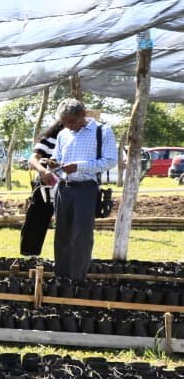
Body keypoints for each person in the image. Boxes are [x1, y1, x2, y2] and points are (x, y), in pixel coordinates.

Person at [48, 99, 117, 280]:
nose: (69, 126)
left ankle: (78, 277)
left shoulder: (102, 131)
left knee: (82, 234)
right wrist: (52, 164)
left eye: (72, 121)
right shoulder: (63, 134)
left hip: (86, 189)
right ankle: (61, 275)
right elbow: (57, 159)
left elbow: (110, 161)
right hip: (64, 188)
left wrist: (78, 166)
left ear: (83, 114)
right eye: (65, 122)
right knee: (61, 232)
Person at [20, 120, 64, 256]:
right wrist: (42, 170)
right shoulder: (48, 140)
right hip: (46, 185)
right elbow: (32, 159)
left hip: (68, 185)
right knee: (37, 220)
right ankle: (30, 255)